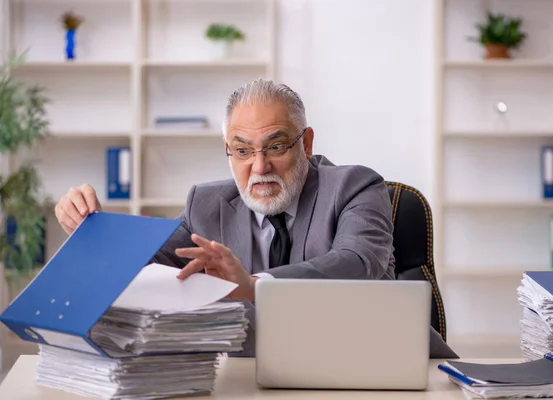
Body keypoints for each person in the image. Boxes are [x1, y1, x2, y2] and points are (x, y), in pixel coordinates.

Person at [54, 78, 457, 359]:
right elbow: (149, 263)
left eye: (276, 145)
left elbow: (357, 262)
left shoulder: (355, 186)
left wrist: (254, 286)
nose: (259, 166)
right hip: (255, 376)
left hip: (377, 370)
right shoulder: (207, 204)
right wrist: (92, 228)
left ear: (307, 142)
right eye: (242, 150)